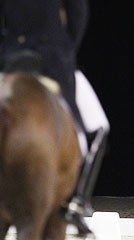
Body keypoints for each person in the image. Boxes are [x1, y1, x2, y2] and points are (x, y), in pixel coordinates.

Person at [0, 0, 109, 236]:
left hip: (8, 57)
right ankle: (74, 204)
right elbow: (77, 14)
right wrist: (67, 49)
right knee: (98, 127)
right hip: (53, 57)